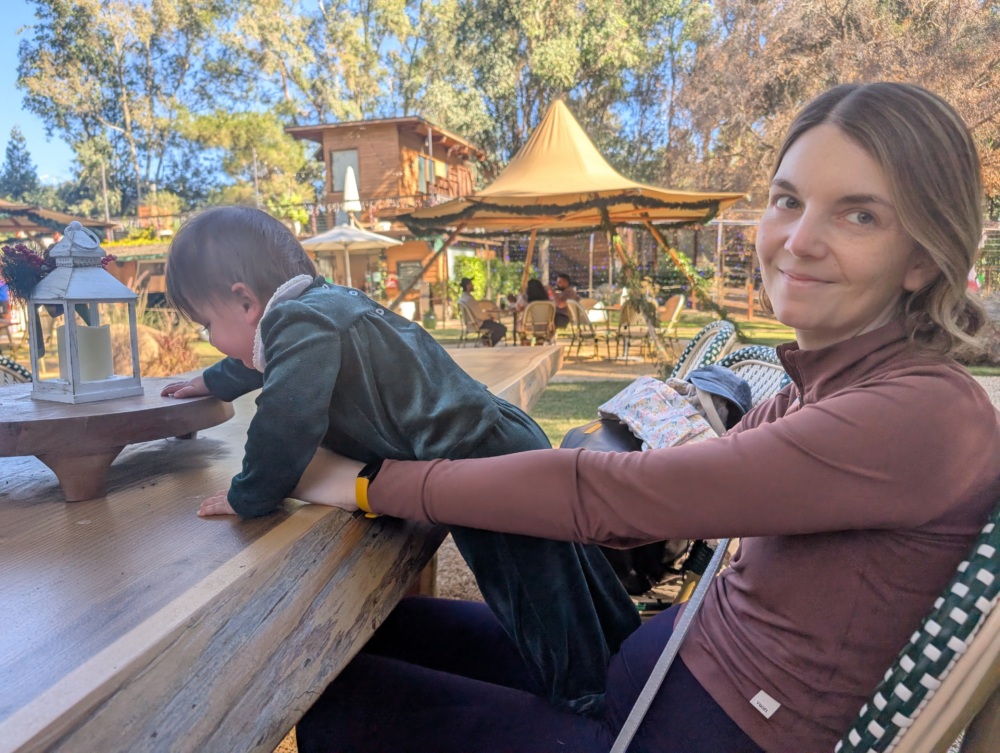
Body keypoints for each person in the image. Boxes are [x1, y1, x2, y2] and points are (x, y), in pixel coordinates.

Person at [288, 82, 1000, 753]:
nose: (799, 240)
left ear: (922, 256)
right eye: (788, 200)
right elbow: (657, 479)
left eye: (860, 214)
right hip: (646, 674)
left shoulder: (919, 414)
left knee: (339, 698)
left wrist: (362, 483)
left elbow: (614, 500)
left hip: (662, 731)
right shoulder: (825, 385)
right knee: (369, 634)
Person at [160, 205, 637, 714]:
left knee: (534, 592)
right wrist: (210, 382)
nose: (208, 336)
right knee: (572, 563)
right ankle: (630, 655)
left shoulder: (297, 324)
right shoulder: (323, 305)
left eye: (207, 323)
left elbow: (286, 420)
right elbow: (263, 361)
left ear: (245, 300)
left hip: (475, 468)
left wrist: (248, 494)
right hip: (500, 434)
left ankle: (588, 703)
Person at [457, 276, 506, 346]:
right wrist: (490, 317)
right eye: (471, 284)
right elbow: (479, 314)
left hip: (472, 323)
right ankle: (488, 343)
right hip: (478, 324)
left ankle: (485, 339)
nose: (472, 285)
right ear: (467, 286)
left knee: (496, 326)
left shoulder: (463, 298)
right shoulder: (469, 299)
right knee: (502, 329)